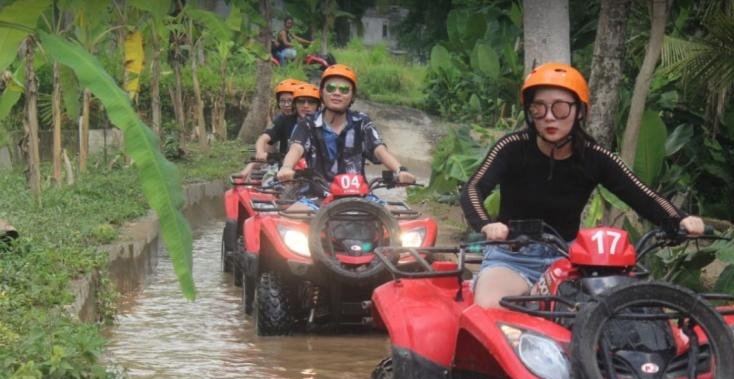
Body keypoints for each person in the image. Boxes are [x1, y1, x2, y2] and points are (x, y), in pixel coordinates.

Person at [460, 62, 705, 308]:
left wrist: (680, 219)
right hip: (512, 258)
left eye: (560, 108)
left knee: (608, 315)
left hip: (569, 261)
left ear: (579, 111)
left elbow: (642, 195)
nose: (549, 117)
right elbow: (473, 189)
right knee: (489, 308)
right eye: (538, 108)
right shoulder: (513, 147)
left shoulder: (595, 157)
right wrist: (487, 225)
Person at [277, 64, 415, 187]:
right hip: (316, 194)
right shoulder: (307, 123)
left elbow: (379, 149)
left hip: (359, 196)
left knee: (387, 215)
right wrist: (287, 167)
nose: (336, 93)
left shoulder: (362, 122)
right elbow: (296, 148)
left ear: (353, 96)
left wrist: (399, 170)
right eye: (330, 88)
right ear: (321, 93)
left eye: (344, 89)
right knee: (291, 215)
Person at [239, 81, 319, 178]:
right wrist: (260, 154)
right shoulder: (285, 120)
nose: (305, 106)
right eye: (301, 102)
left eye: (311, 102)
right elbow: (265, 139)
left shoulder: (323, 123)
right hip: (287, 166)